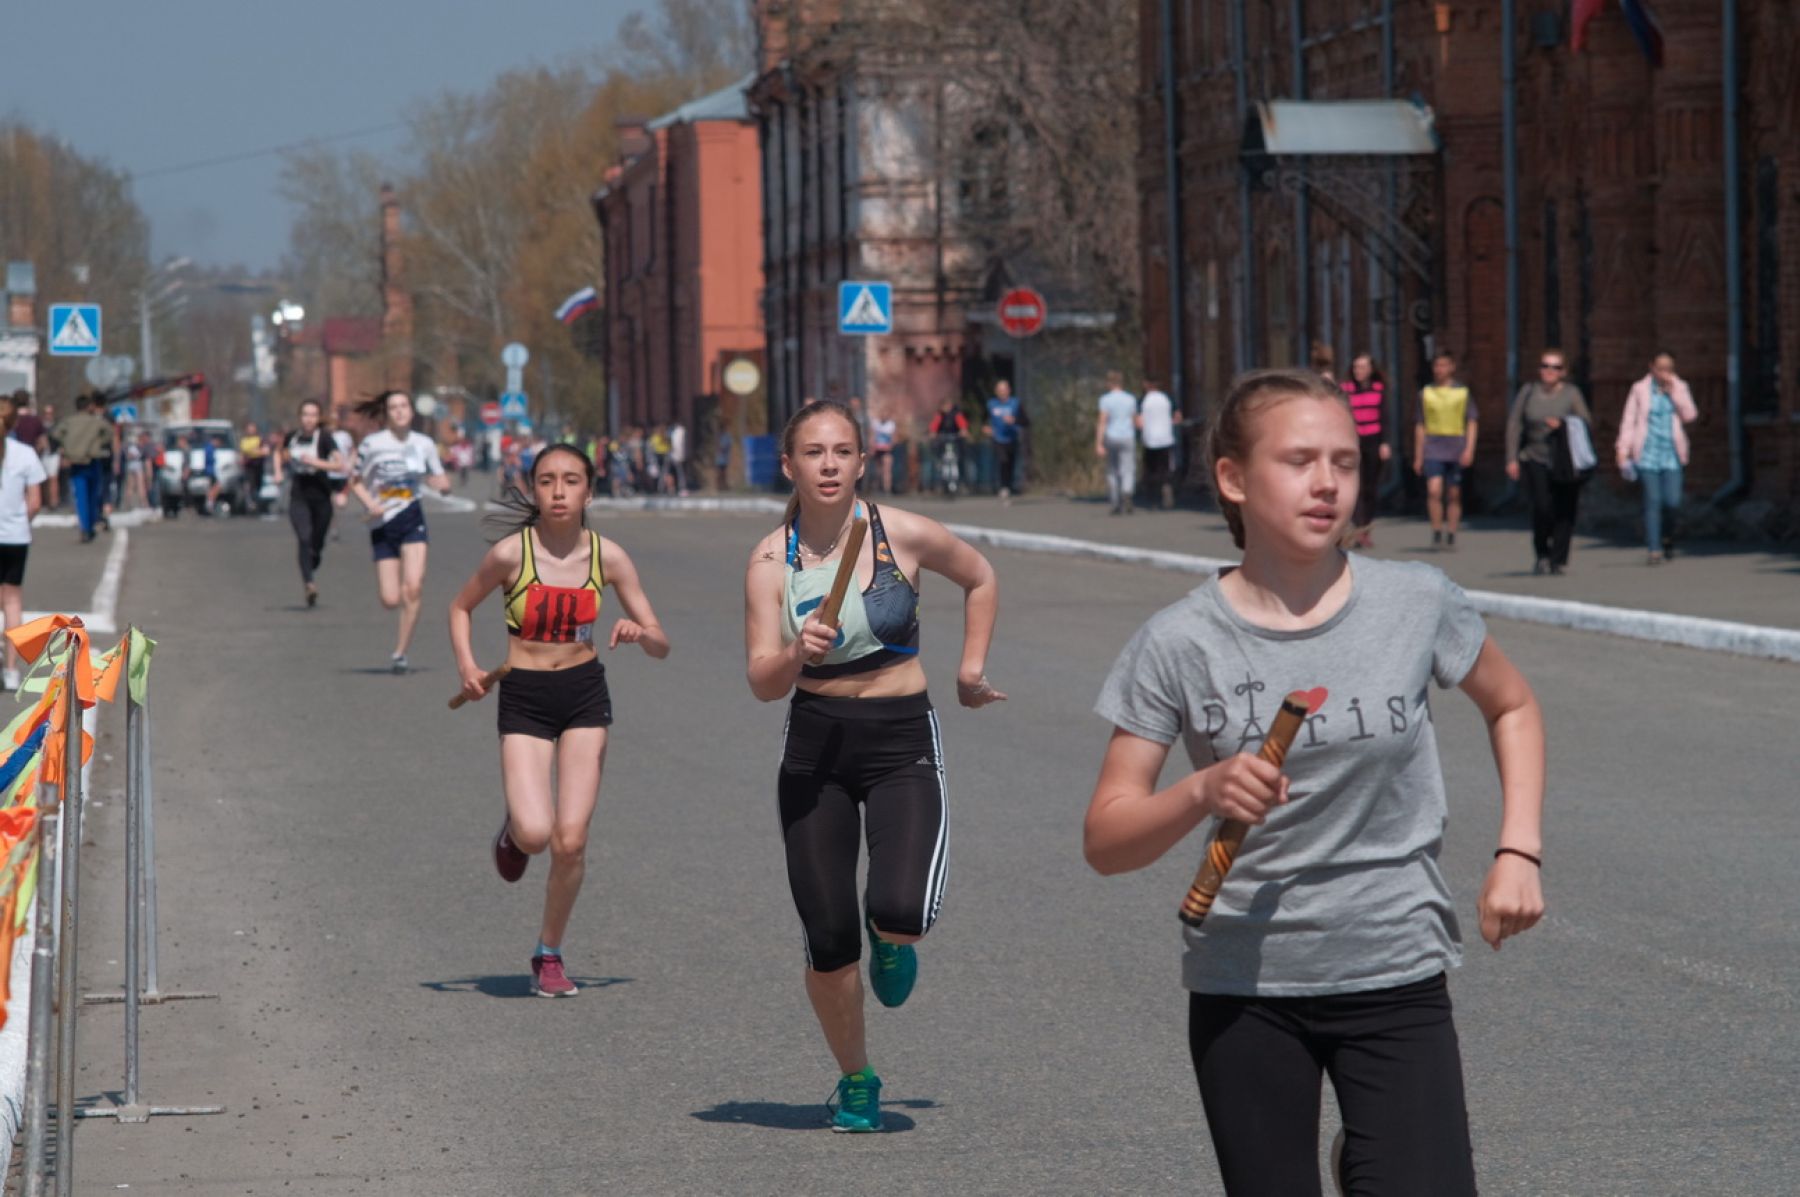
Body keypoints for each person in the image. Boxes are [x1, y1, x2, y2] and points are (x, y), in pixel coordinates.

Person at [1083, 367, 1546, 1197]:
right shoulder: (1179, 642)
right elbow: (1106, 839)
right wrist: (1203, 790)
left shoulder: (1416, 601)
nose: (1327, 482)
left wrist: (1519, 849)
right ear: (1233, 478)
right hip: (1247, 984)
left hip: (1394, 965)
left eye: (1346, 460)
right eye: (1299, 460)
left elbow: (1512, 706)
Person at [743, 400, 1004, 1132]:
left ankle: (890, 937)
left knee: (902, 911)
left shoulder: (903, 536)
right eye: (813, 452)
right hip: (815, 749)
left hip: (899, 740)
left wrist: (970, 668)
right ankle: (857, 1077)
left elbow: (980, 577)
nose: (829, 464)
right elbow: (762, 680)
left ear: (863, 460)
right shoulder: (770, 561)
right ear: (789, 464)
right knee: (829, 945)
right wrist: (796, 654)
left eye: (843, 451)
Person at [449, 444, 669, 997]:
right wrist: (470, 666)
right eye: (547, 481)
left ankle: (548, 953)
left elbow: (662, 642)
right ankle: (515, 831)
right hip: (523, 695)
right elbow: (459, 607)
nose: (559, 491)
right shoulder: (509, 555)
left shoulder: (609, 558)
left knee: (571, 840)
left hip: (583, 696)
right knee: (535, 833)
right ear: (534, 490)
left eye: (571, 480)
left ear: (589, 492)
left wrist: (641, 635)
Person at [348, 391, 452, 673]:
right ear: (386, 414)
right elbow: (354, 480)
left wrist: (443, 484)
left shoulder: (425, 443)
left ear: (411, 410)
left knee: (414, 587)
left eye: (404, 405)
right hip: (382, 522)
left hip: (411, 516)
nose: (399, 411)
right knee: (390, 599)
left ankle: (400, 652)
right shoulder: (373, 444)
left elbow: (438, 476)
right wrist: (371, 504)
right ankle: (398, 643)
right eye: (393, 407)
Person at [1505, 348, 1593, 576]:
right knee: (1542, 507)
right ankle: (1542, 553)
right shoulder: (1528, 391)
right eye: (1545, 366)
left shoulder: (1571, 394)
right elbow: (1514, 424)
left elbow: (1585, 422)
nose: (1549, 371)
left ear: (1563, 372)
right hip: (1535, 457)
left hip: (1564, 461)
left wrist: (1563, 424)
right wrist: (1511, 458)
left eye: (1555, 367)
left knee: (1565, 509)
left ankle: (1558, 559)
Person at [1615, 351, 1698, 565]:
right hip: (1647, 453)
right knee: (1653, 500)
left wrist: (1675, 392)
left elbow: (1690, 415)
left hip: (1672, 453)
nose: (1664, 373)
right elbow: (1629, 420)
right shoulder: (1639, 389)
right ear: (1651, 367)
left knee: (1672, 502)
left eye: (1669, 368)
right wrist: (1622, 449)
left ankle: (1667, 537)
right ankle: (1654, 548)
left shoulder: (1680, 387)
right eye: (1660, 368)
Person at [279, 400, 347, 608]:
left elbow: (339, 463)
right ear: (300, 416)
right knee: (303, 537)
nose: (309, 419)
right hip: (299, 494)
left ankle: (314, 556)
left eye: (313, 415)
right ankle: (309, 584)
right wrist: (279, 469)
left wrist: (316, 463)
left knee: (316, 541)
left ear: (318, 418)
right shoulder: (292, 437)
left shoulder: (325, 439)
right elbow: (281, 453)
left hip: (321, 494)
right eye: (305, 414)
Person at [0, 398, 48, 691]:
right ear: (14, 422)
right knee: (12, 601)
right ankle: (11, 670)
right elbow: (36, 501)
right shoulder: (25, 453)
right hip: (16, 536)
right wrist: (23, 519)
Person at [1415, 351, 1478, 550]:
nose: (1439, 370)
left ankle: (1451, 532)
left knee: (1454, 493)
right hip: (1433, 447)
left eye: (1444, 365)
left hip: (1456, 447)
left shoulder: (1462, 392)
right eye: (1436, 365)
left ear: (1451, 367)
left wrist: (1469, 448)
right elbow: (1420, 424)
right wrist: (1418, 455)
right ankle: (1436, 530)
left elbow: (1472, 422)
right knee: (1434, 490)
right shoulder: (1426, 393)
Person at [1338, 354, 1389, 548]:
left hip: (1374, 440)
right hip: (1354, 440)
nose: (1359, 371)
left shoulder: (1378, 389)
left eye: (1363, 367)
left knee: (1371, 488)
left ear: (1370, 369)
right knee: (1356, 486)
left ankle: (1366, 528)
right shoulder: (1346, 390)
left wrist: (1385, 443)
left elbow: (1384, 418)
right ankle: (1359, 529)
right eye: (1356, 367)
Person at [52, 393, 114, 543]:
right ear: (89, 406)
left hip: (75, 461)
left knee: (81, 497)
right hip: (93, 460)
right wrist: (98, 442)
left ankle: (84, 528)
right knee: (94, 495)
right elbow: (109, 433)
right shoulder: (95, 421)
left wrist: (66, 446)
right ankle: (91, 524)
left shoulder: (69, 421)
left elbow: (56, 433)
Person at [1094, 370, 1139, 515]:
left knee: (1113, 470)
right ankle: (1127, 491)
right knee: (1128, 468)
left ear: (1110, 383)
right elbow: (1135, 420)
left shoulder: (1105, 399)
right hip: (1127, 436)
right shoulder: (1130, 399)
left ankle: (1115, 500)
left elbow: (1102, 421)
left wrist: (1099, 443)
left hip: (1112, 436)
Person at [1139, 377, 1181, 510]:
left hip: (1149, 439)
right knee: (1166, 468)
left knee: (1151, 469)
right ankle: (1167, 490)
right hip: (1165, 438)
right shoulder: (1168, 398)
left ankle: (1153, 498)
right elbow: (1178, 417)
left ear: (1147, 385)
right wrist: (1169, 424)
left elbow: (1138, 421)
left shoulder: (1143, 400)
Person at [984, 380, 1023, 501]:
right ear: (996, 392)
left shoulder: (1015, 403)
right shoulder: (991, 404)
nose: (1002, 393)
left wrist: (1014, 421)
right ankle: (1003, 486)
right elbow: (984, 419)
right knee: (1003, 460)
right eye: (1000, 390)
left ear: (1009, 390)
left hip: (1012, 437)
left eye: (1004, 390)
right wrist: (986, 427)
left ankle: (1009, 485)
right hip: (998, 438)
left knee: (1010, 462)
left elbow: (1026, 421)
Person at [926, 399, 969, 496]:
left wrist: (963, 430)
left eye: (948, 405)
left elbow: (962, 423)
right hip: (943, 440)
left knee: (958, 459)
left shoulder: (956, 414)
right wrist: (933, 432)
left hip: (955, 440)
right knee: (942, 459)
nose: (946, 408)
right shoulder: (939, 415)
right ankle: (943, 481)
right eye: (944, 406)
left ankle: (960, 482)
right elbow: (934, 425)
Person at [239, 421, 269, 512]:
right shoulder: (244, 440)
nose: (251, 431)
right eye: (249, 429)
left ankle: (256, 502)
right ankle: (250, 503)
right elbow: (242, 453)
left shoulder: (260, 439)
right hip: (248, 467)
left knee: (257, 485)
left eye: (252, 429)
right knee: (248, 484)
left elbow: (265, 451)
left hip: (258, 466)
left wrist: (254, 452)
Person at [37, 402, 61, 511]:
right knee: (42, 479)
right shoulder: (40, 425)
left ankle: (54, 502)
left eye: (50, 413)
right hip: (42, 455)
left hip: (54, 454)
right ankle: (44, 502)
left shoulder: (57, 426)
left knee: (53, 479)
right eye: (46, 413)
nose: (48, 415)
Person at [869, 406, 896, 495]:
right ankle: (877, 488)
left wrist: (889, 446)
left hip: (886, 450)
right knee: (877, 470)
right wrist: (872, 447)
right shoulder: (876, 423)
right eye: (882, 414)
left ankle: (887, 489)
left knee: (887, 470)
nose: (884, 416)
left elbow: (893, 438)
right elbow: (872, 436)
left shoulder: (891, 425)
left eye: (886, 414)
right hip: (877, 449)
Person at [668, 420, 689, 496]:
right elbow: (679, 445)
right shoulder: (681, 431)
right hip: (678, 456)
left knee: (674, 473)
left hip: (674, 455)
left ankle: (673, 488)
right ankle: (681, 488)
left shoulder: (673, 431)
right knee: (680, 473)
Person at [713, 424, 734, 492]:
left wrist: (724, 448)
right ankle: (719, 486)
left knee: (724, 471)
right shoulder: (718, 436)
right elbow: (717, 446)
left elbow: (729, 445)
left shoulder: (726, 436)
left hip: (725, 456)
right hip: (719, 457)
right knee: (719, 472)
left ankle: (724, 485)